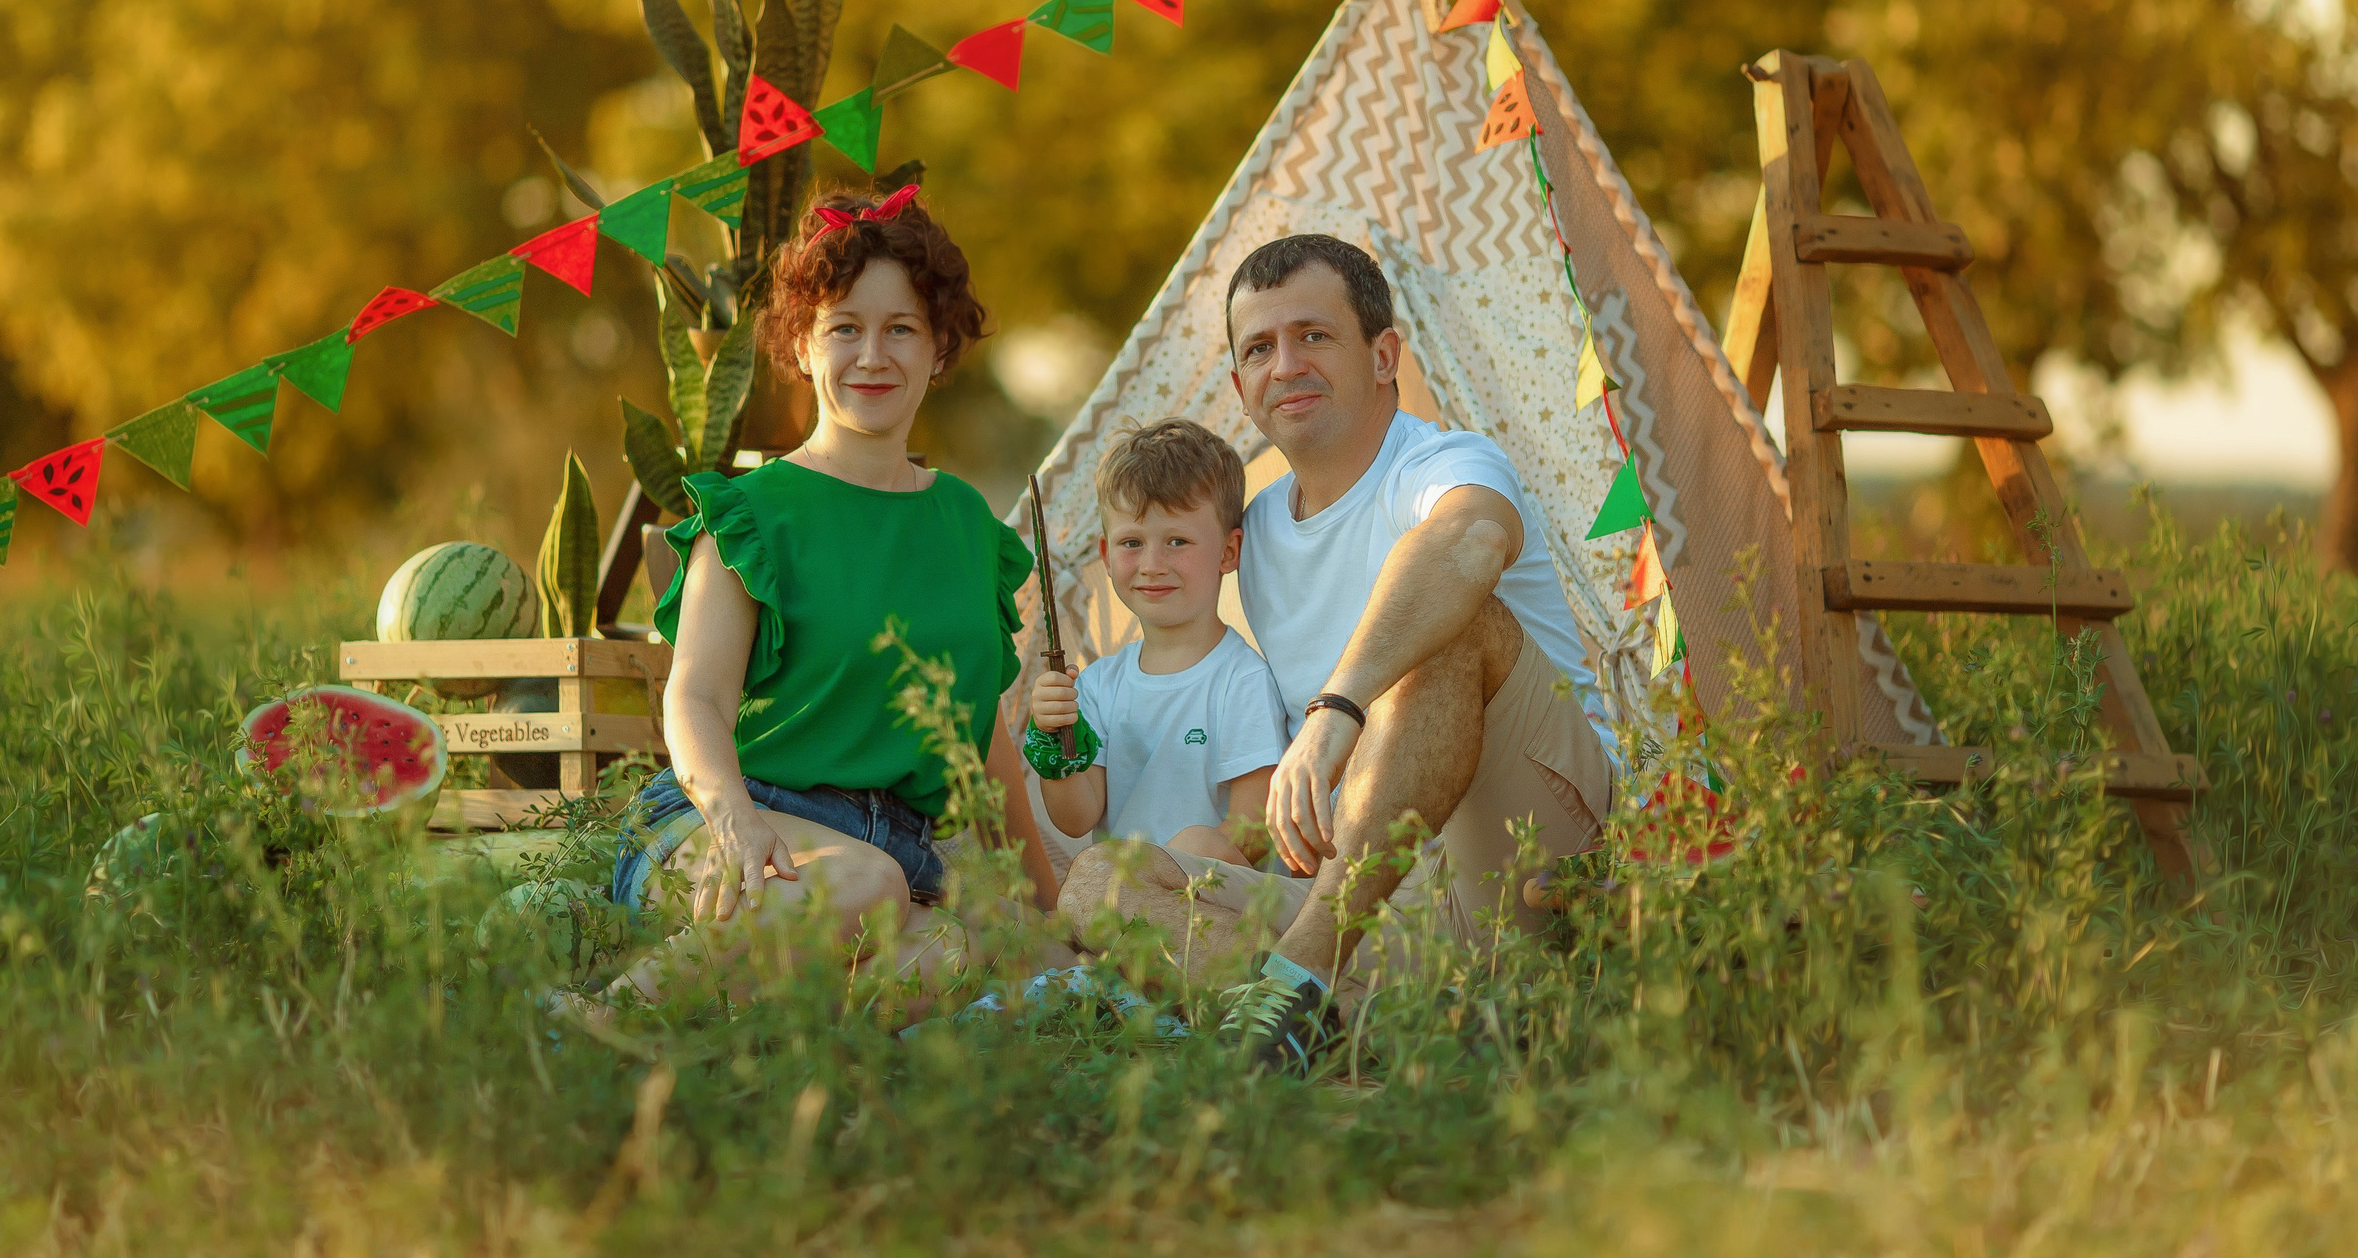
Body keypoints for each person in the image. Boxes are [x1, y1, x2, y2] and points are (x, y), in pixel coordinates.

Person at [1097, 233, 1617, 1069]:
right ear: (1239, 388)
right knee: (1104, 884)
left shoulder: (1444, 461)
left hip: (1533, 841)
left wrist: (1337, 709)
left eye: (1313, 335)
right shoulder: (1255, 533)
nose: (1285, 365)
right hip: (1380, 895)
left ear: (1383, 355)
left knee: (1453, 630)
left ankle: (1292, 988)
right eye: (1259, 348)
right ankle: (1386, 1022)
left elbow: (1472, 537)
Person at [602, 184, 1051, 1005]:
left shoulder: (966, 523)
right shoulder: (752, 512)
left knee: (965, 949)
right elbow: (695, 698)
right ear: (802, 347)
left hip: (893, 852)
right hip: (721, 822)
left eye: (901, 328)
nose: (872, 355)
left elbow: (981, 741)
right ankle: (595, 1019)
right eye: (844, 328)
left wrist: (1049, 910)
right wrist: (736, 821)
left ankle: (749, 1040)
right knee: (866, 887)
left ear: (939, 349)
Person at [1028, 421, 1290, 925]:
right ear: (1105, 556)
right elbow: (1076, 817)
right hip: (1118, 907)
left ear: (1228, 552)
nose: (1151, 563)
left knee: (1192, 844)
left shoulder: (1242, 680)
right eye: (1131, 543)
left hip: (1212, 910)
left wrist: (1163, 875)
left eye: (1177, 541)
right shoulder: (1096, 687)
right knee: (1080, 887)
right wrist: (1052, 741)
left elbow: (1253, 831)